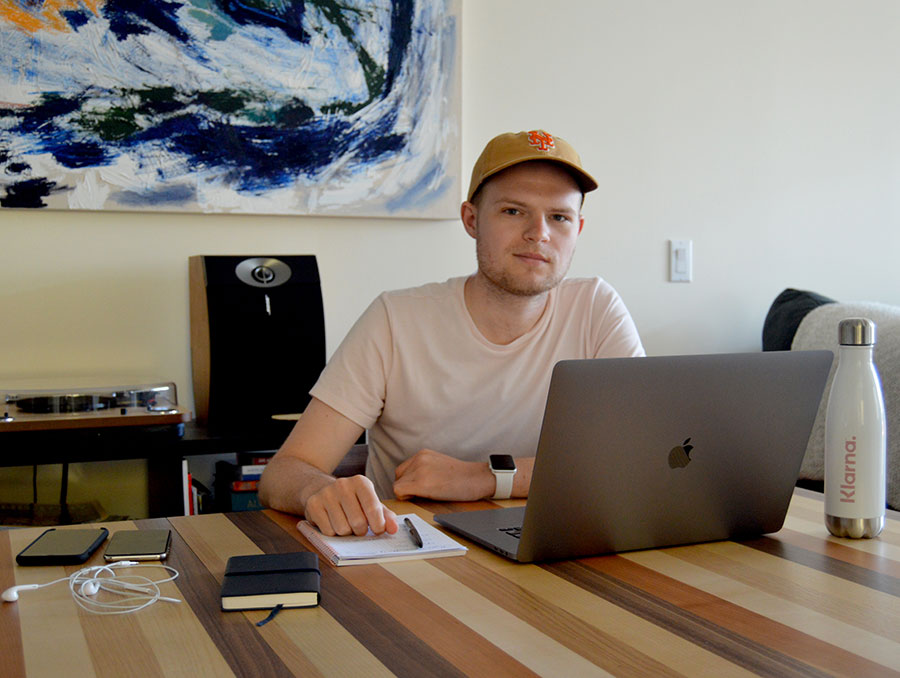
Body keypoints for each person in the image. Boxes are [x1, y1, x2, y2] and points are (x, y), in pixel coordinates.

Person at [258, 129, 645, 536]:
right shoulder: (396, 318)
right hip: (416, 553)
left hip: (554, 539)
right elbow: (284, 471)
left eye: (559, 217)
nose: (539, 233)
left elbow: (642, 459)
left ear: (578, 229)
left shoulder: (597, 309)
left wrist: (485, 477)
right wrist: (319, 490)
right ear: (471, 220)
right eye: (513, 211)